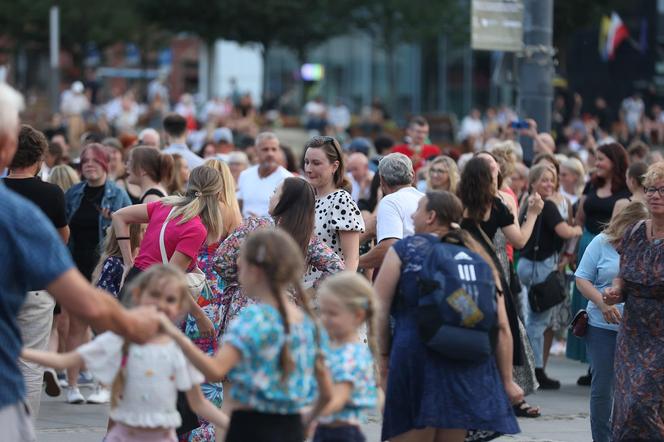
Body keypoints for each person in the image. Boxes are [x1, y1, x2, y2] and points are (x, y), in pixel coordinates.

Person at [0, 80, 158, 442]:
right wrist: (133, 323)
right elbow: (82, 296)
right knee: (29, 367)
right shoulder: (22, 213)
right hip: (34, 298)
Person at [22, 265, 229, 442]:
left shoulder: (177, 348)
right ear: (138, 295)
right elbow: (66, 359)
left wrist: (232, 425)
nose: (161, 304)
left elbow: (198, 401)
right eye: (155, 295)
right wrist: (20, 352)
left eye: (170, 299)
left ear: (180, 307)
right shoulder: (120, 340)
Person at [375, 192, 521, 442]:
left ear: (431, 217)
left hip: (414, 358)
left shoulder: (405, 249)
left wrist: (383, 357)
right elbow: (502, 326)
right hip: (466, 362)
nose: (413, 215)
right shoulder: (479, 258)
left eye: (418, 209)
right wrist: (507, 380)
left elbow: (378, 307)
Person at [161, 229, 331, 442]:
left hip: (250, 429)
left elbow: (215, 371)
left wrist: (176, 340)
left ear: (256, 271)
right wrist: (303, 420)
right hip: (291, 430)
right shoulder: (308, 325)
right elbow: (326, 393)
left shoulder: (252, 320)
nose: (236, 266)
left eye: (240, 264)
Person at [215, 177, 345, 334]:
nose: (271, 196)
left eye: (275, 192)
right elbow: (337, 268)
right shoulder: (307, 238)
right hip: (284, 309)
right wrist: (306, 294)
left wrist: (242, 279)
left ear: (285, 200)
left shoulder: (256, 225)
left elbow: (220, 260)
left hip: (246, 304)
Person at [3, 124, 69, 418]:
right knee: (31, 361)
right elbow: (61, 237)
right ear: (39, 157)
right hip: (37, 285)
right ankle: (22, 428)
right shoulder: (52, 193)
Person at [64, 142, 132, 403]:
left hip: (103, 267)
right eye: (84, 161)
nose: (89, 165)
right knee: (75, 326)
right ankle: (72, 387)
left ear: (105, 164)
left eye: (94, 161)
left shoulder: (117, 194)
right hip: (74, 266)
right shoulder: (73, 194)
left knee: (104, 327)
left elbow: (128, 231)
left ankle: (104, 385)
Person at [575, 201, 648, 442]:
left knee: (633, 390)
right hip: (601, 327)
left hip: (639, 329)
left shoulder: (650, 246)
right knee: (602, 389)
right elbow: (581, 279)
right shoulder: (601, 242)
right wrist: (603, 303)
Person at [604, 162, 664, 441]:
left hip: (661, 335)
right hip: (632, 332)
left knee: (646, 402)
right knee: (627, 405)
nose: (654, 195)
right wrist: (616, 290)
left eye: (662, 191)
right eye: (651, 189)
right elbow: (623, 273)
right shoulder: (636, 231)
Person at [567, 142, 629, 377]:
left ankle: (598, 365)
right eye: (595, 157)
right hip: (588, 245)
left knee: (599, 297)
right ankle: (591, 360)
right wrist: (572, 248)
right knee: (583, 303)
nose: (597, 163)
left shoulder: (625, 193)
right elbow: (580, 218)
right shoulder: (591, 185)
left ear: (615, 161)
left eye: (601, 158)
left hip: (610, 247)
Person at [517, 165, 582, 389]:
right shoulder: (548, 205)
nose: (548, 184)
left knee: (531, 316)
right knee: (538, 321)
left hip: (526, 264)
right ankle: (534, 371)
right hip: (541, 265)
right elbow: (564, 231)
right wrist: (577, 230)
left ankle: (532, 369)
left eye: (551, 180)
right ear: (533, 182)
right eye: (543, 180)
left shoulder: (528, 202)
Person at [313, 272, 379, 442]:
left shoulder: (352, 355)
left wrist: (306, 416)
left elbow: (337, 400)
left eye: (332, 313)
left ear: (358, 315)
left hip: (341, 434)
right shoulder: (332, 348)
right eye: (322, 312)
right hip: (326, 430)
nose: (325, 319)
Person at [304, 136, 365, 273]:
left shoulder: (341, 200)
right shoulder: (307, 199)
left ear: (334, 166)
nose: (308, 168)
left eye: (316, 163)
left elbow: (351, 259)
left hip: (329, 289)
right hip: (302, 289)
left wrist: (340, 292)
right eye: (306, 162)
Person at [358, 153, 422, 271]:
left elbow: (388, 248)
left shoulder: (390, 201)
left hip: (405, 276)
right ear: (412, 175)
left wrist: (354, 262)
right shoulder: (425, 198)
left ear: (381, 180)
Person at [237, 132, 292, 218]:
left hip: (272, 231)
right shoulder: (245, 175)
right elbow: (239, 205)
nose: (270, 154)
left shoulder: (288, 179)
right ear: (255, 151)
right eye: (265, 149)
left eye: (274, 149)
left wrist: (262, 223)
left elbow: (288, 214)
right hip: (243, 229)